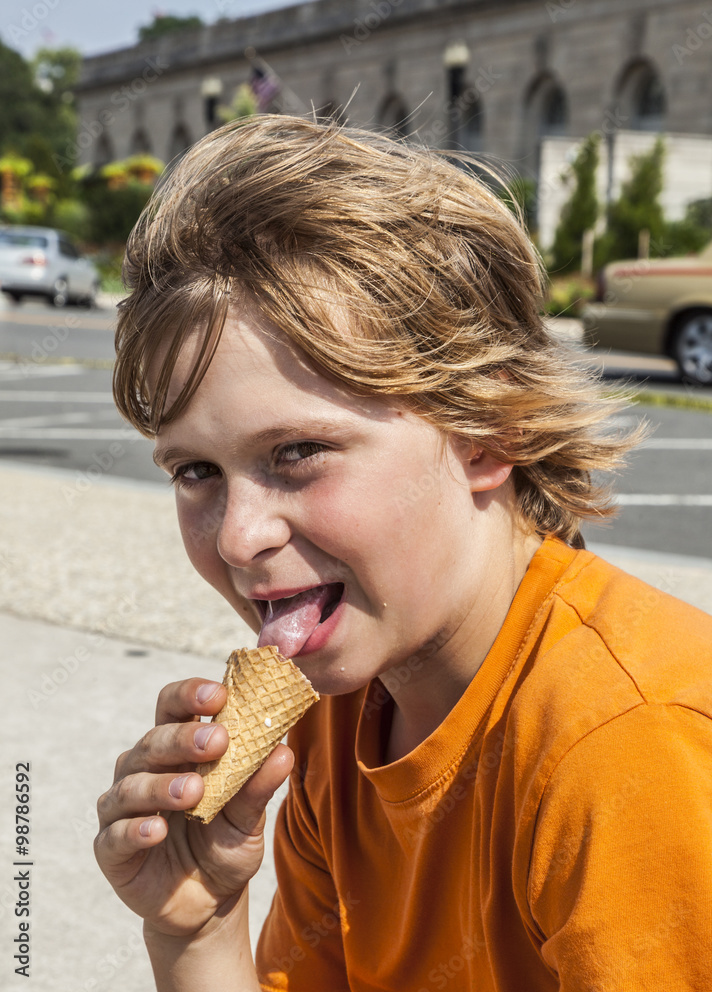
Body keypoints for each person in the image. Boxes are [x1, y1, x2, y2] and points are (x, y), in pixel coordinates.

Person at [95, 114, 712, 991]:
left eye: (296, 454)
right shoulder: (337, 728)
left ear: (486, 434)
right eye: (195, 470)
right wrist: (196, 930)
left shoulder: (627, 746)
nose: (238, 535)